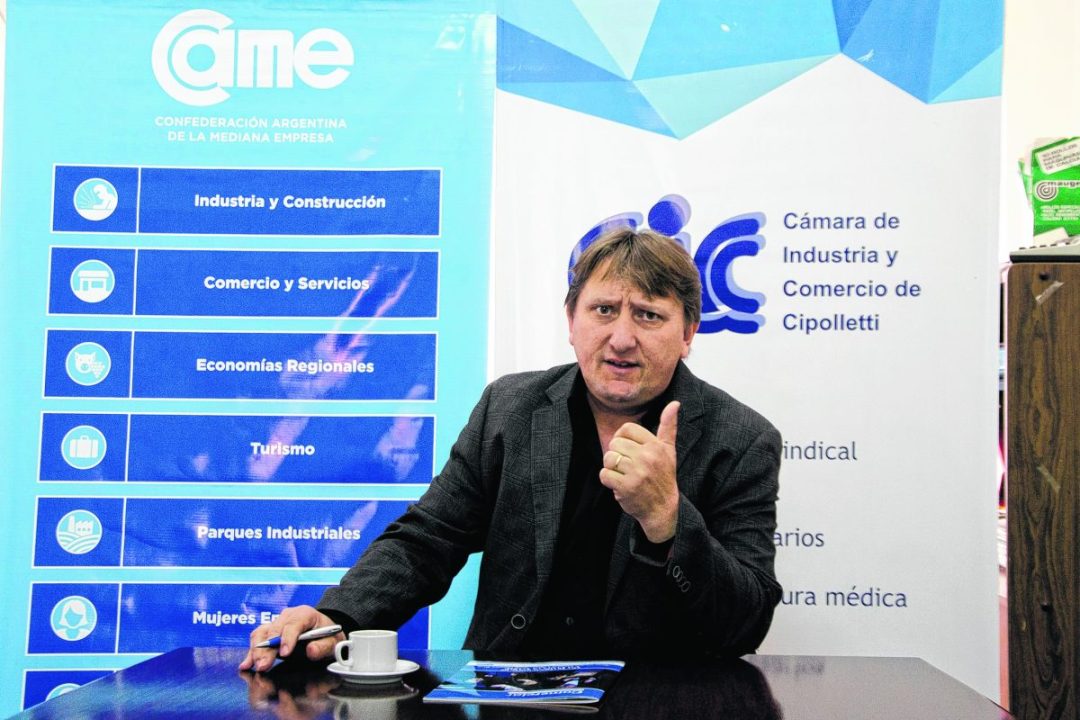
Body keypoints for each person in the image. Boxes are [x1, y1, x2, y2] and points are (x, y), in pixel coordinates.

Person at [240, 228, 781, 672]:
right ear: (571, 322)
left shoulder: (741, 441)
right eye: (603, 310)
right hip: (507, 690)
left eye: (648, 315)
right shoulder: (510, 408)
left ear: (688, 333)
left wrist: (668, 520)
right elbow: (427, 540)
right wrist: (339, 618)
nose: (621, 337)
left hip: (655, 700)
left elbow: (745, 623)